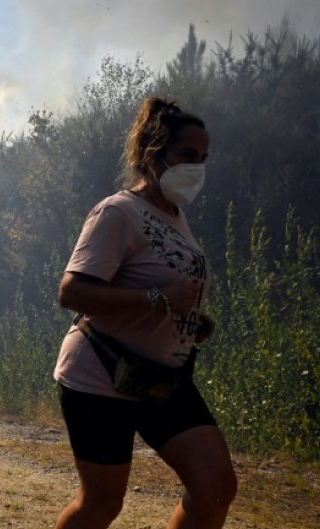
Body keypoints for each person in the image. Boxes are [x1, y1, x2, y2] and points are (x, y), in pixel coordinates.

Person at [53, 98, 237, 529]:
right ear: (153, 155)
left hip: (163, 381)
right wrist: (158, 300)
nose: (197, 167)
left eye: (203, 158)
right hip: (101, 376)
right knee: (101, 505)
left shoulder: (176, 218)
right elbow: (72, 291)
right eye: (187, 155)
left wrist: (188, 319)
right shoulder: (118, 211)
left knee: (215, 487)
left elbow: (164, 290)